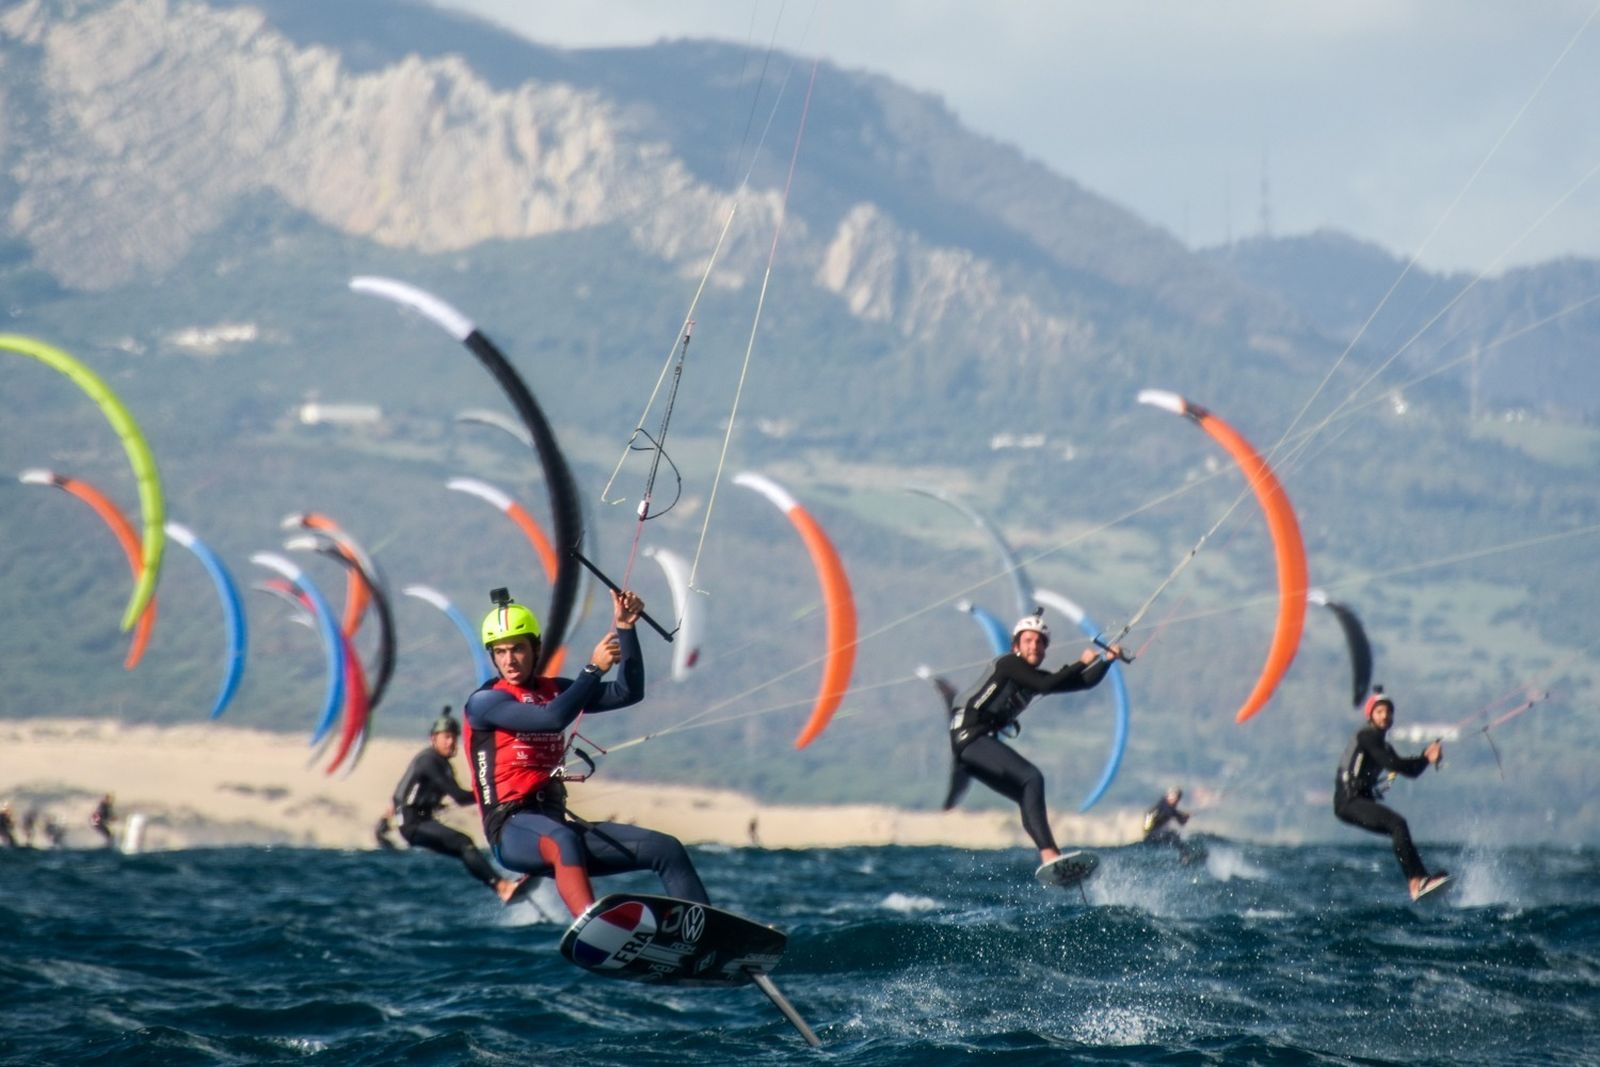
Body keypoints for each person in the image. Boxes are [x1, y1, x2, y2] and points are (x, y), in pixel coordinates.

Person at [463, 586, 708, 918]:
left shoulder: (555, 690)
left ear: (535, 649)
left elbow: (627, 692)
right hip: (511, 830)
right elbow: (552, 719)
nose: (509, 659)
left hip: (554, 824)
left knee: (666, 849)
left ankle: (700, 930)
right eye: (500, 651)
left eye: (518, 649)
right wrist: (593, 669)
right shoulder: (486, 702)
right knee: (563, 838)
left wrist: (626, 627)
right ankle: (593, 926)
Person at [947, 610, 1123, 867]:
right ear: (1016, 645)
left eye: (1040, 642)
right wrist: (1080, 662)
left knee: (1026, 790)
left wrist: (1107, 660)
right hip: (970, 737)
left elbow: (1082, 682)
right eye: (1028, 640)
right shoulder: (1008, 664)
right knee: (1032, 777)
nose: (1034, 646)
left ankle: (1050, 856)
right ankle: (1049, 853)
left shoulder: (1033, 677)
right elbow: (1048, 685)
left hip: (971, 748)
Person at [389, 708, 526, 902]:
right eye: (445, 737)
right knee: (464, 843)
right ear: (433, 738)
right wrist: (492, 792)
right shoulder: (429, 760)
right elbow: (460, 797)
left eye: (453, 737)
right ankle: (502, 887)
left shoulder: (440, 762)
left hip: (418, 820)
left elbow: (422, 793)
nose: (451, 742)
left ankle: (502, 887)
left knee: (464, 848)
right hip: (413, 824)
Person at [1334, 692, 1447, 900]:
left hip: (1358, 801)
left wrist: (1426, 758)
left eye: (1388, 712)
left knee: (1398, 827)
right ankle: (1416, 882)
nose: (1384, 715)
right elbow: (1393, 764)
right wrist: (1424, 757)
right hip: (1348, 801)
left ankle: (1420, 880)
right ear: (1371, 715)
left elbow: (1410, 771)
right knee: (1397, 824)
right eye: (1379, 711)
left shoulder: (1384, 746)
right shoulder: (1366, 736)